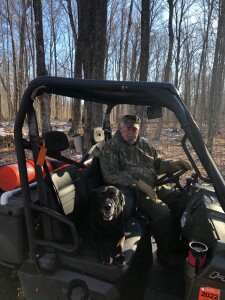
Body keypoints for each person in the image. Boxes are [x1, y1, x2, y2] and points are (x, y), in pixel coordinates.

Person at [99, 114, 192, 269]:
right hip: (132, 193)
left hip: (154, 186)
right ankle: (167, 254)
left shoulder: (144, 144)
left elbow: (157, 163)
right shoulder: (111, 148)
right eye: (128, 129)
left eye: (135, 129)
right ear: (120, 129)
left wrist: (173, 164)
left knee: (182, 200)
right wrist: (139, 184)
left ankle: (176, 242)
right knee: (162, 213)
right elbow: (110, 174)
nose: (132, 133)